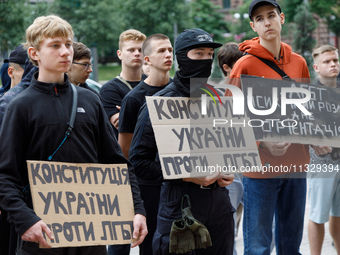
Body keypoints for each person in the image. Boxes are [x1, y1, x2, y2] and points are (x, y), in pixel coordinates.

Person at [0, 15, 147, 255]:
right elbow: (5, 176)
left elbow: (116, 162)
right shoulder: (20, 106)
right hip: (42, 237)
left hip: (91, 237)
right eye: (55, 45)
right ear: (34, 53)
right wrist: (25, 220)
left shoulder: (90, 99)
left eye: (68, 44)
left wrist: (137, 209)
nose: (65, 52)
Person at [225, 1, 331, 254]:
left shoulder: (298, 63)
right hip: (260, 171)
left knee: (290, 246)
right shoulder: (244, 66)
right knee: (258, 247)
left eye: (271, 15)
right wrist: (262, 142)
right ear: (253, 26)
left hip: (296, 167)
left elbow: (304, 111)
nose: (267, 22)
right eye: (259, 19)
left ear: (281, 19)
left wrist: (314, 137)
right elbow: (229, 119)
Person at [130, 28, 235, 255]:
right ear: (181, 57)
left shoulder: (216, 98)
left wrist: (229, 169)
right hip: (179, 205)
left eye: (209, 54)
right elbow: (138, 161)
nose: (206, 60)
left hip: (219, 204)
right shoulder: (159, 103)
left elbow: (226, 148)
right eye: (199, 54)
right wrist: (185, 174)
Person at [118, 33, 173, 254]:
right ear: (147, 59)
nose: (168, 54)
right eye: (161, 51)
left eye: (170, 50)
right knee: (152, 247)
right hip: (148, 187)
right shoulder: (133, 99)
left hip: (179, 185)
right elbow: (125, 152)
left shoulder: (181, 92)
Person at [307, 45, 340, 255]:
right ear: (316, 67)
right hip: (323, 163)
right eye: (327, 62)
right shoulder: (309, 95)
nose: (333, 64)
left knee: (338, 215)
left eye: (335, 60)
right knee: (318, 215)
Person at [217, 42, 244, 255]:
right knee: (229, 227)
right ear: (227, 67)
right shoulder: (215, 94)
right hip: (230, 170)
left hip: (252, 168)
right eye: (240, 63)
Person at [100, 29, 146, 138]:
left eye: (140, 50)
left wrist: (129, 113)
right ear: (119, 54)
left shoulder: (153, 83)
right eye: (131, 50)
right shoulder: (109, 90)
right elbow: (121, 125)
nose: (137, 54)